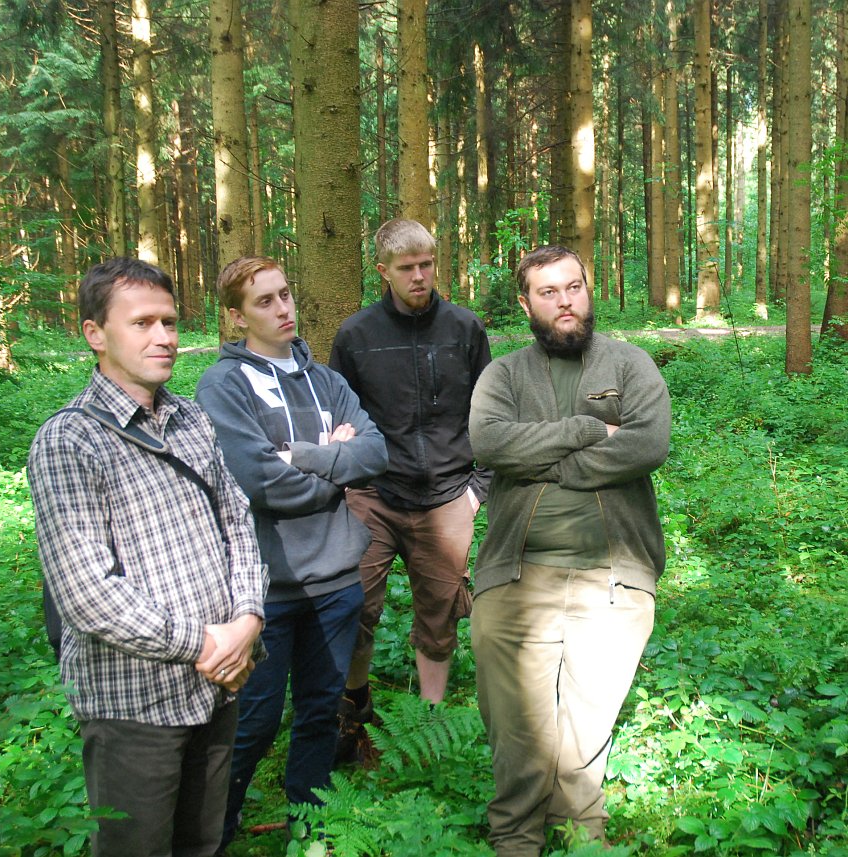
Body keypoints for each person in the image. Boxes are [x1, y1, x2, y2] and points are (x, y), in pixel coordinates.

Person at [28, 257, 266, 857]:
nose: (164, 337)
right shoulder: (69, 440)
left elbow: (238, 522)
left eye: (169, 321)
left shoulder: (192, 420)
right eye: (142, 323)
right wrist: (207, 644)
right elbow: (87, 594)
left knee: (203, 842)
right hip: (134, 703)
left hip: (219, 688)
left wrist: (247, 618)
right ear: (95, 333)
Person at [468, 245, 671, 856]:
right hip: (515, 579)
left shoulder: (630, 365)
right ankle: (516, 840)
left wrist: (545, 464)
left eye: (573, 287)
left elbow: (646, 445)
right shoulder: (504, 375)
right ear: (526, 303)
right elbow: (490, 443)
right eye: (549, 292)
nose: (565, 302)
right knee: (518, 735)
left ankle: (583, 836)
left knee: (585, 735)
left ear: (589, 289)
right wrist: (586, 430)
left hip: (612, 579)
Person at [194, 256, 388, 847]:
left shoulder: (325, 380)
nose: (283, 309)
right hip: (264, 589)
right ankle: (212, 832)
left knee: (320, 711)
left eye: (285, 294)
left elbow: (375, 454)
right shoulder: (223, 386)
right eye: (264, 301)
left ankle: (309, 824)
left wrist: (299, 455)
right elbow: (258, 480)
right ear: (236, 317)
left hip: (336, 579)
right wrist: (334, 464)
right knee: (251, 721)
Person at [329, 218, 491, 750]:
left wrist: (477, 491)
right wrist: (348, 482)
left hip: (447, 497)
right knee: (355, 605)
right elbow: (340, 418)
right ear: (383, 271)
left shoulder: (465, 329)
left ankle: (428, 720)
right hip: (373, 495)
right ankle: (355, 705)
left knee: (440, 611)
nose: (419, 276)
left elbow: (490, 414)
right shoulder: (356, 336)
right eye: (406, 268)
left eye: (426, 265)